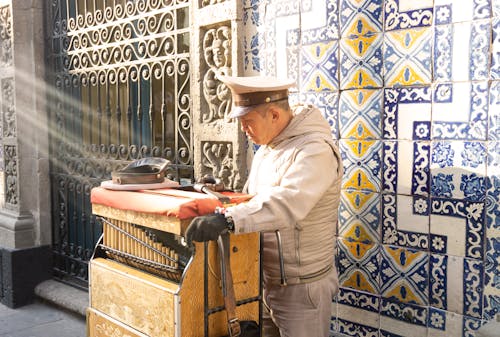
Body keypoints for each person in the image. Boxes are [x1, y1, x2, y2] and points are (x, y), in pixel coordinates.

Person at [185, 74, 343, 337]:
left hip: (301, 290)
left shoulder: (315, 150)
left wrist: (228, 220)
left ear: (273, 115)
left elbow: (287, 203)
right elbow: (255, 200)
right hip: (265, 282)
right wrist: (223, 197)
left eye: (248, 122)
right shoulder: (269, 149)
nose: (244, 130)